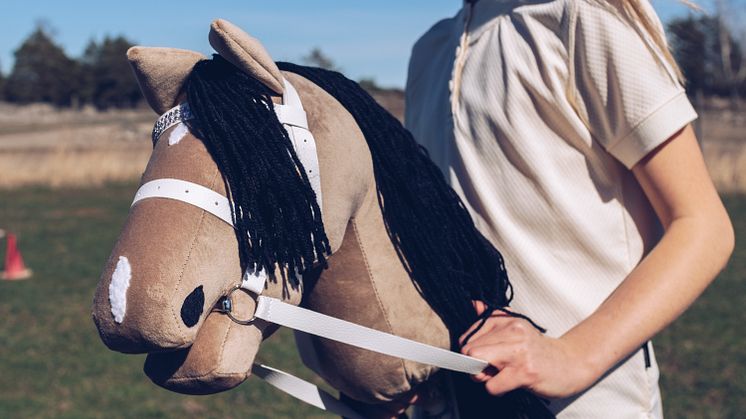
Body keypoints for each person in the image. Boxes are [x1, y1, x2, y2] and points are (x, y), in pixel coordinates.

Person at [404, 0, 734, 417]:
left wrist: (571, 356)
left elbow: (702, 226)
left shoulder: (583, 17)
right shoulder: (428, 51)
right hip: (456, 400)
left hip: (590, 404)